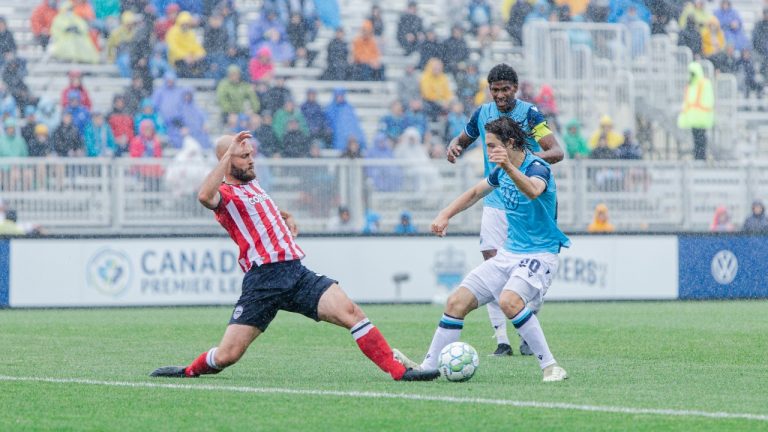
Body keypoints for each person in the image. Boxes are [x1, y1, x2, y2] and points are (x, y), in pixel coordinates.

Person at [150, 131, 439, 382]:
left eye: (251, 154)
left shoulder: (252, 183)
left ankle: (400, 372)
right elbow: (203, 196)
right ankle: (188, 371)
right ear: (226, 161)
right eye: (242, 156)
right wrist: (226, 157)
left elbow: (261, 210)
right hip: (263, 282)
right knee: (228, 356)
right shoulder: (223, 194)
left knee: (351, 313)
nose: (251, 160)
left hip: (296, 273)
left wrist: (283, 215)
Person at [393, 117, 570, 382]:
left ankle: (551, 366)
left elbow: (533, 190)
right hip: (509, 253)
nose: (487, 151)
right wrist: (445, 214)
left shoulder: (537, 167)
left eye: (491, 144)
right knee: (456, 302)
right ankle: (428, 366)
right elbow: (476, 192)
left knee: (510, 301)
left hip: (539, 254)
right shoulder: (501, 171)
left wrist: (508, 166)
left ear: (510, 143)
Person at [443, 63, 564, 357]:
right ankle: (501, 339)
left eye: (505, 89)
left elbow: (556, 151)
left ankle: (528, 319)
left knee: (518, 278)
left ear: (515, 88)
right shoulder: (482, 114)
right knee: (493, 267)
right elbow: (463, 139)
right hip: (495, 201)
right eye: (494, 90)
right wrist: (454, 146)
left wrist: (527, 161)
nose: (500, 95)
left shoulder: (530, 114)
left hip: (525, 200)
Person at [677, 62, 714, 160]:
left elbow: (708, 100)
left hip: (701, 118)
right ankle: (698, 159)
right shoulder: (691, 85)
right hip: (693, 119)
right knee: (696, 141)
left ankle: (701, 159)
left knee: (701, 141)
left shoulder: (704, 83)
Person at [165, 11, 207, 78]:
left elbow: (196, 46)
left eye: (187, 24)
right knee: (185, 67)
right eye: (184, 24)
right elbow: (173, 48)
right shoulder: (173, 32)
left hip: (191, 58)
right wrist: (185, 56)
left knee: (203, 62)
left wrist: (199, 54)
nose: (185, 25)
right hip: (177, 59)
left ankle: (199, 81)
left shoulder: (190, 33)